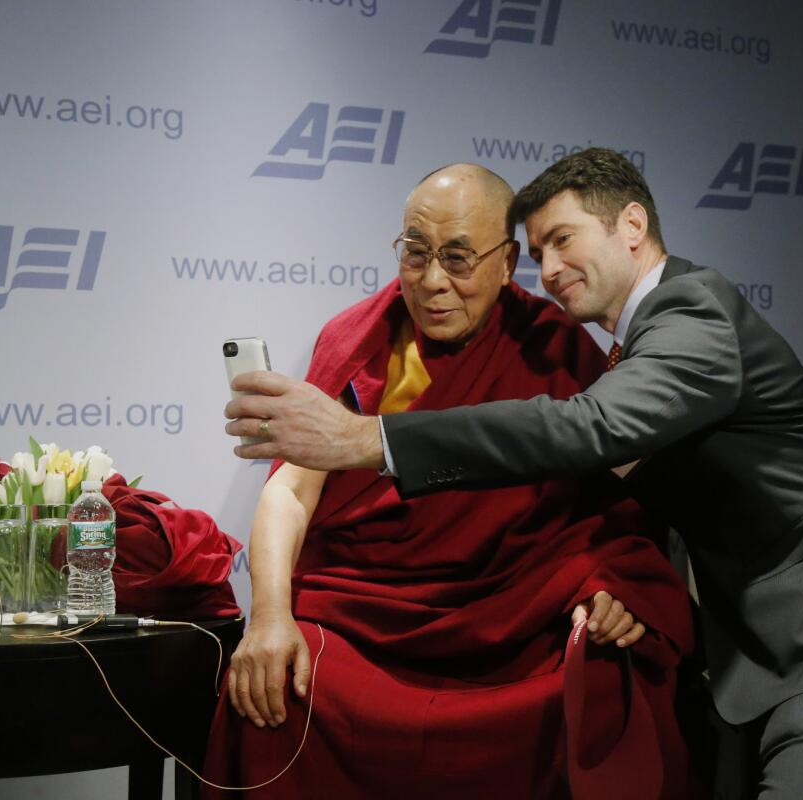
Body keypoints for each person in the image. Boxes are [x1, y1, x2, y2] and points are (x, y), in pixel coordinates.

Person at [227, 149, 803, 799]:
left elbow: (585, 434)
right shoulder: (621, 351)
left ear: (631, 226)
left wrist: (369, 439)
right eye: (539, 250)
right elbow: (620, 496)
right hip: (769, 660)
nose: (550, 269)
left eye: (562, 241)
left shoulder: (693, 312)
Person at [206, 164, 694, 799]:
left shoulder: (554, 348)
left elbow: (609, 513)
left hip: (513, 620)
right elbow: (291, 489)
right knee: (278, 688)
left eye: (459, 258)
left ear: (507, 262)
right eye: (416, 253)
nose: (433, 281)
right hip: (369, 616)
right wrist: (269, 618)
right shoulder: (358, 340)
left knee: (604, 683)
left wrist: (609, 587)